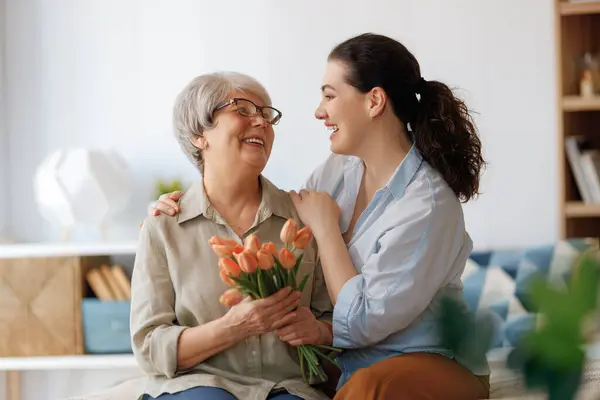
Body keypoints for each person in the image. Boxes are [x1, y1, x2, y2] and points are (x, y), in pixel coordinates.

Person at [149, 33, 490, 400]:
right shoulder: (338, 171)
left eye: (329, 95)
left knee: (367, 390)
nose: (319, 111)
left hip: (428, 361)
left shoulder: (427, 204)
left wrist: (327, 231)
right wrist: (186, 207)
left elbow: (362, 320)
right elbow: (274, 216)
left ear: (374, 101)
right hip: (348, 364)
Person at [131, 71, 334, 400]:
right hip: (196, 384)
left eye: (267, 115)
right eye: (242, 109)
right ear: (200, 134)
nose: (261, 122)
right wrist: (234, 327)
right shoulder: (163, 226)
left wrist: (320, 331)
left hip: (288, 388)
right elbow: (149, 347)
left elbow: (339, 324)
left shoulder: (303, 219)